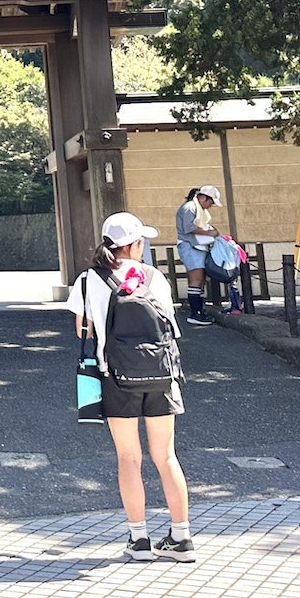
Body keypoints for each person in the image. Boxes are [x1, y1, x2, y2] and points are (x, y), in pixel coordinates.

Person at [67, 211, 196, 563]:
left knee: (129, 457)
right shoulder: (155, 277)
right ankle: (181, 538)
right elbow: (171, 327)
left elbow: (83, 330)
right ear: (136, 244)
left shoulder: (88, 280)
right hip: (161, 376)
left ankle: (139, 539)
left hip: (116, 376)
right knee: (166, 456)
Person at [175, 185, 225, 325]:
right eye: (211, 202)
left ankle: (199, 311)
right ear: (203, 198)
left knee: (199, 279)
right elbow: (189, 227)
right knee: (196, 279)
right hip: (190, 245)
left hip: (196, 245)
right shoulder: (189, 207)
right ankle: (195, 313)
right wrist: (210, 233)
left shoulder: (196, 208)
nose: (211, 205)